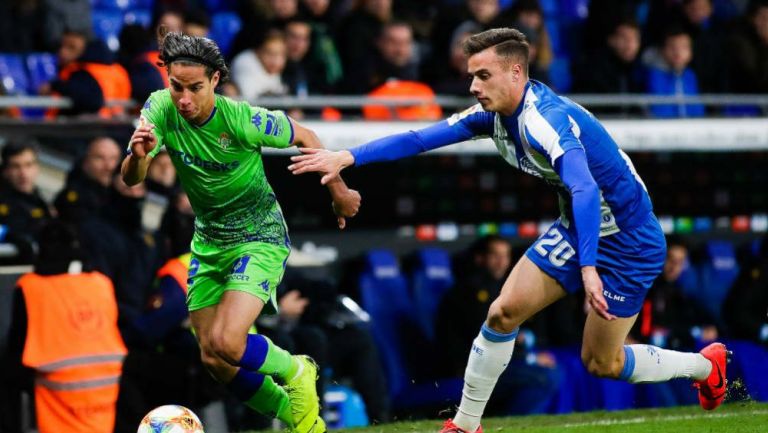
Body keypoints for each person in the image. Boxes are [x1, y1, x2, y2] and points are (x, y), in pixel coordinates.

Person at [288, 28, 730, 433]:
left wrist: (590, 268)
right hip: (577, 227)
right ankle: (466, 424)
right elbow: (420, 139)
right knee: (502, 313)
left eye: (483, 75)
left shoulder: (546, 120)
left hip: (629, 241)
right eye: (471, 76)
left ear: (516, 72)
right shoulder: (492, 115)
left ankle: (704, 368)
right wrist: (346, 158)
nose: (473, 87)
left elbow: (584, 187)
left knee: (602, 362)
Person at [121, 30, 360, 433]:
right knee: (214, 358)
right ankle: (303, 422)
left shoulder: (243, 119)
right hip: (209, 242)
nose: (184, 99)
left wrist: (338, 190)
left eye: (195, 88)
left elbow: (307, 136)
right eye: (177, 86)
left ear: (215, 80)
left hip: (258, 235)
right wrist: (140, 156)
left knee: (230, 342)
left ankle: (298, 369)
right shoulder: (160, 108)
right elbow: (132, 178)